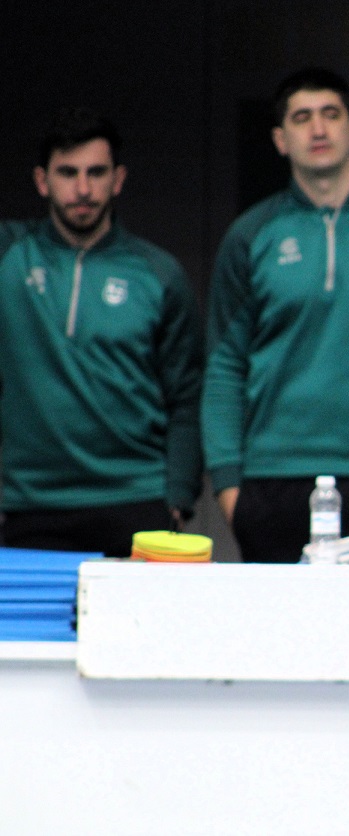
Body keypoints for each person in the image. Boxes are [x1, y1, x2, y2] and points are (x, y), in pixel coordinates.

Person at [202, 67, 349, 563]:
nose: (317, 128)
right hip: (273, 477)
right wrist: (227, 487)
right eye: (301, 117)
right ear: (279, 139)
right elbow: (224, 366)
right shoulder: (250, 235)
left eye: (330, 114)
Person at [0, 107, 203, 557]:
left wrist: (179, 496)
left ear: (118, 179)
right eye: (67, 173)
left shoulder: (159, 273)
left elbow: (187, 396)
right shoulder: (10, 256)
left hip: (137, 496)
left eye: (96, 172)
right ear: (42, 180)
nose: (83, 189)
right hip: (31, 501)